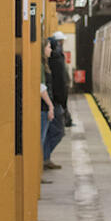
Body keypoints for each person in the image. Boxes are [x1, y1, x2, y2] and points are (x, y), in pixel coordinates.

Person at [41, 37, 66, 169]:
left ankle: (45, 158)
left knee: (49, 134)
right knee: (56, 132)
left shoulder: (48, 63)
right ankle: (44, 158)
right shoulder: (44, 66)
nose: (50, 49)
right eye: (48, 47)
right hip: (49, 104)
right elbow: (42, 87)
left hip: (51, 103)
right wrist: (52, 105)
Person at [48, 32, 75, 128]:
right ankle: (66, 122)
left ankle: (66, 121)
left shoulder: (56, 56)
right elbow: (60, 78)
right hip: (58, 94)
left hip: (57, 94)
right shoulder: (57, 57)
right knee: (58, 129)